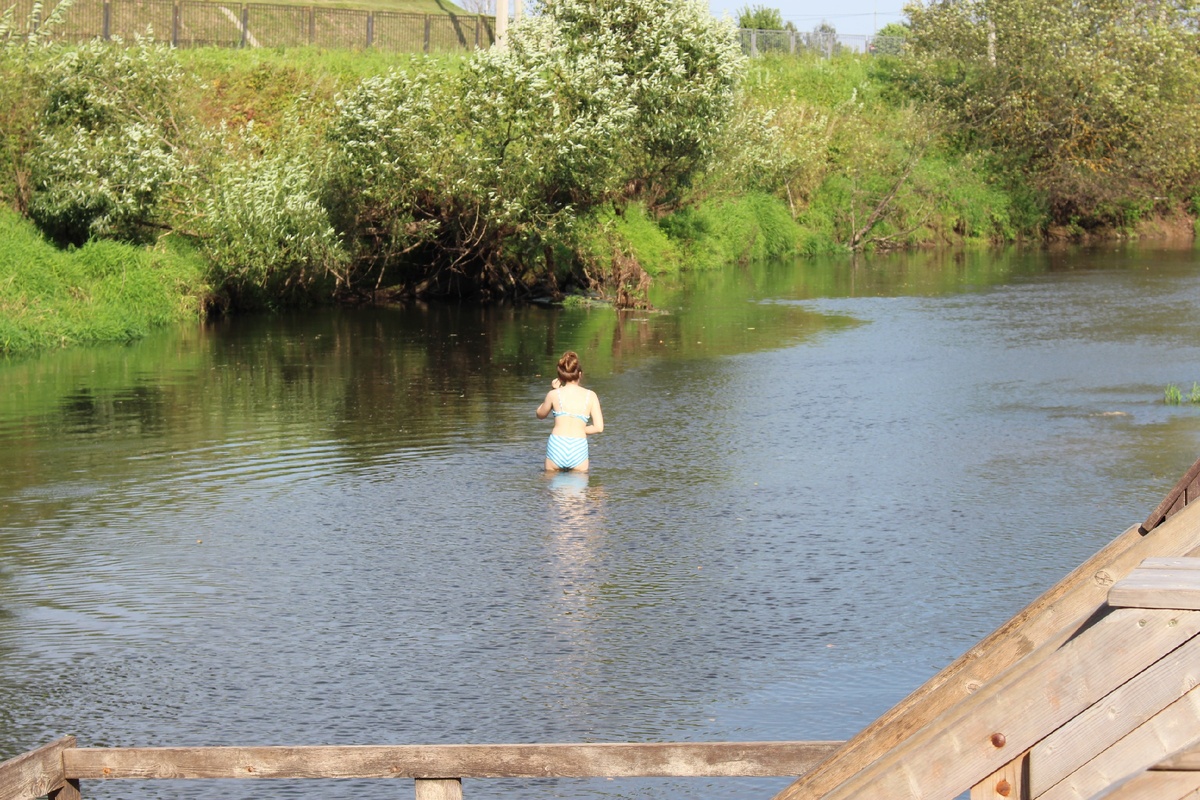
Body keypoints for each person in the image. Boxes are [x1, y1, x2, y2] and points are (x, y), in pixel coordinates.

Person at [536, 351, 604, 472]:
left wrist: (552, 390)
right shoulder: (591, 396)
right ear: (580, 374)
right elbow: (599, 428)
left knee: (551, 487)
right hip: (578, 447)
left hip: (557, 445)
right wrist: (579, 429)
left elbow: (540, 414)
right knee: (579, 487)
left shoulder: (554, 394)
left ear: (561, 377)